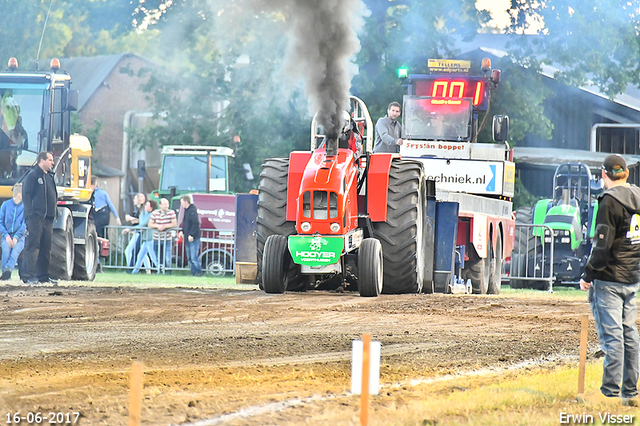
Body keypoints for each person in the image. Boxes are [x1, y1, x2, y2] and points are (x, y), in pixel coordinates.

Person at [579, 154, 640, 407]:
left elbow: (602, 246)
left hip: (610, 279)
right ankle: (631, 393)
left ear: (604, 175)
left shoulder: (608, 202)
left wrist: (588, 274)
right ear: (625, 173)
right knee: (630, 335)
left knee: (612, 337)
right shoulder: (637, 196)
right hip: (632, 277)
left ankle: (609, 394)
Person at [21, 151, 58, 284]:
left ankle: (43, 275)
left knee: (46, 248)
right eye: (50, 160)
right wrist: (31, 214)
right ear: (42, 160)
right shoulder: (32, 176)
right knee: (32, 246)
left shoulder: (50, 177)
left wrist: (54, 213)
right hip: (36, 218)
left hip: (48, 219)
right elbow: (26, 195)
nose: (52, 163)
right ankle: (28, 275)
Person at [0, 183, 25, 280]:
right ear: (19, 194)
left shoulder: (25, 207)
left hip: (20, 236)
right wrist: (6, 236)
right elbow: (0, 221)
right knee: (5, 251)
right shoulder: (5, 205)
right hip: (6, 235)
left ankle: (8, 270)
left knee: (15, 252)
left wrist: (16, 237)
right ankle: (4, 275)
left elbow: (25, 224)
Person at [123, 199, 153, 268]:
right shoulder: (141, 211)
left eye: (136, 199)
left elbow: (142, 224)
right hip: (139, 233)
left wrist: (131, 224)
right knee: (141, 254)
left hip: (141, 234)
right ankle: (135, 269)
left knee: (131, 251)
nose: (134, 200)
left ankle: (131, 268)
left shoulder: (145, 212)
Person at [149, 198, 177, 273]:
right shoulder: (155, 213)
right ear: (160, 205)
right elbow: (150, 224)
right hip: (156, 238)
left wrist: (165, 226)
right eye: (164, 204)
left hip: (167, 239)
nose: (166, 206)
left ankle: (168, 272)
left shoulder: (171, 212)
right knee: (157, 257)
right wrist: (158, 226)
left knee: (168, 258)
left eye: (167, 204)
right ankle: (159, 271)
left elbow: (174, 224)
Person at [130, 200, 159, 274]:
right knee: (140, 256)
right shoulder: (149, 214)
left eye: (147, 205)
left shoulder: (151, 215)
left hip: (149, 239)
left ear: (151, 207)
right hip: (146, 239)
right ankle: (134, 272)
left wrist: (130, 228)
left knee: (153, 257)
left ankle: (160, 269)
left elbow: (143, 224)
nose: (145, 207)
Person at [179, 195, 203, 276]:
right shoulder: (187, 211)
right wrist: (182, 231)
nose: (181, 204)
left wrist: (191, 234)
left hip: (193, 238)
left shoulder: (192, 211)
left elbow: (195, 224)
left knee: (193, 257)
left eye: (182, 202)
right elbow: (185, 223)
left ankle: (199, 272)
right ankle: (193, 272)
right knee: (189, 257)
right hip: (187, 237)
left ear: (186, 202)